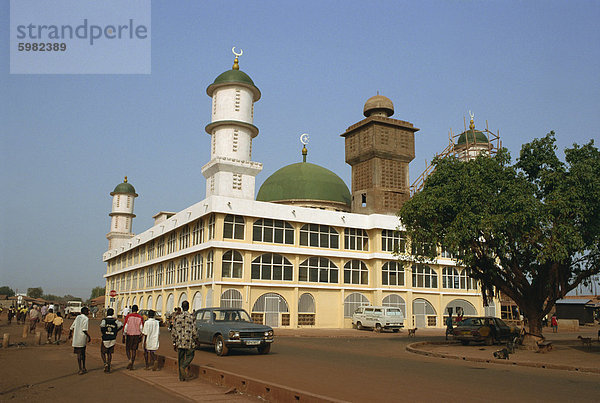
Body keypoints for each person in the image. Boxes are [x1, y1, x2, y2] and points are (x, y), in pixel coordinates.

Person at [171, 301, 197, 381]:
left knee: (180, 358)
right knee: (190, 355)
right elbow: (194, 330)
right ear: (188, 307)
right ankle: (184, 367)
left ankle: (181, 377)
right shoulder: (192, 317)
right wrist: (196, 339)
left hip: (179, 341)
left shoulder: (177, 317)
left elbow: (174, 331)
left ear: (182, 307)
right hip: (189, 341)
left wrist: (174, 342)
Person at [68, 307, 91, 375]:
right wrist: (89, 336)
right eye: (88, 311)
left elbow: (72, 326)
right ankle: (83, 367)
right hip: (82, 338)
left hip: (76, 337)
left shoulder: (78, 317)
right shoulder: (86, 319)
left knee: (78, 354)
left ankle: (80, 368)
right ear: (85, 312)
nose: (88, 312)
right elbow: (84, 329)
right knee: (83, 353)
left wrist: (70, 334)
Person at [100, 308, 123, 373]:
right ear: (113, 313)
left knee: (103, 352)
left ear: (107, 313)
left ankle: (105, 363)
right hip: (112, 338)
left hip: (105, 338)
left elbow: (102, 327)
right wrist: (116, 331)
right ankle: (109, 364)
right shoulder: (115, 321)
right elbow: (121, 325)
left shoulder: (104, 320)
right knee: (109, 353)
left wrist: (104, 332)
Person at [123, 304, 143, 370]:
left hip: (129, 334)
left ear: (132, 310)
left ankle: (129, 360)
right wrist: (141, 335)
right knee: (134, 349)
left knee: (128, 349)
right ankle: (132, 362)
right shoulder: (140, 317)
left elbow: (126, 326)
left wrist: (124, 334)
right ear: (137, 310)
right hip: (137, 335)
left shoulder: (128, 316)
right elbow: (141, 327)